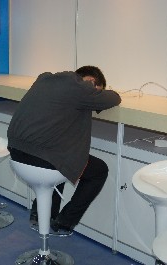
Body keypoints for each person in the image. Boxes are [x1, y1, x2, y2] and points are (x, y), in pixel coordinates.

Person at [7, 65, 121, 235]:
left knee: (59, 155)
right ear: (90, 81)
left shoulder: (45, 80)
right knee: (98, 170)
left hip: (16, 154)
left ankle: (41, 215)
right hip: (42, 161)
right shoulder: (78, 88)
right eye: (97, 90)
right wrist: (99, 94)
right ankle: (65, 222)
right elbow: (113, 99)